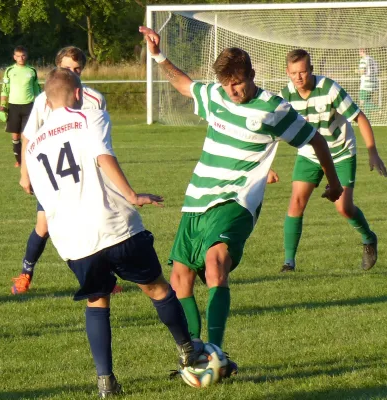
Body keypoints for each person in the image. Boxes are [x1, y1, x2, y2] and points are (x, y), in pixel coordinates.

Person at [139, 26, 343, 375]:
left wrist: (334, 181)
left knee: (216, 262)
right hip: (197, 198)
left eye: (238, 83)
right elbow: (184, 85)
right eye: (226, 84)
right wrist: (158, 55)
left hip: (237, 200)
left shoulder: (274, 109)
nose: (232, 91)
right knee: (180, 276)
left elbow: (316, 141)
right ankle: (193, 353)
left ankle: (216, 350)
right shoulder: (217, 95)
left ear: (252, 74)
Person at [25, 67, 203, 397]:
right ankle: (188, 350)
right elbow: (103, 157)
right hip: (114, 226)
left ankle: (105, 382)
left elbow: (44, 199)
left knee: (97, 300)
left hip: (74, 242)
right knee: (156, 288)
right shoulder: (89, 117)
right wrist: (134, 196)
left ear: (45, 102)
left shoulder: (33, 146)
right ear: (78, 94)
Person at [11, 46, 118, 295]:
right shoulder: (45, 99)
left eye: (77, 69)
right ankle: (26, 274)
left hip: (87, 174)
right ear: (57, 67)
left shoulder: (94, 99)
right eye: (67, 68)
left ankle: (106, 280)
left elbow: (102, 141)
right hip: (54, 174)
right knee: (44, 226)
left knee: (96, 222)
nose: (73, 72)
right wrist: (24, 174)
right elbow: (27, 138)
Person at [278, 49, 387, 273]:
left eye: (303, 71)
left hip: (340, 152)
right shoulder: (285, 96)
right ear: (287, 73)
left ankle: (368, 239)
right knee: (296, 202)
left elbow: (359, 117)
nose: (299, 77)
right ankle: (289, 263)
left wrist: (372, 151)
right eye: (294, 73)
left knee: (344, 208)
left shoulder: (329, 89)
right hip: (309, 154)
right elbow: (271, 128)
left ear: (311, 70)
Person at [0, 45, 41, 167]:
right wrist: (2, 106)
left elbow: (36, 89)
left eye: (23, 55)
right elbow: (5, 89)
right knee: (15, 135)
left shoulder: (32, 71)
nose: (21, 58)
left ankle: (28, 160)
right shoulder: (9, 71)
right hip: (13, 106)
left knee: (27, 135)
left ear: (26, 56)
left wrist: (41, 104)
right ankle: (19, 160)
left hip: (29, 106)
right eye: (18, 56)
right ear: (14, 57)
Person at [358, 48, 380, 114]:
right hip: (374, 83)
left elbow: (362, 72)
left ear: (362, 51)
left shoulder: (363, 60)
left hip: (366, 84)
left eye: (359, 51)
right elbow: (377, 71)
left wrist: (357, 71)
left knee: (362, 102)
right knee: (367, 102)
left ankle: (378, 109)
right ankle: (368, 120)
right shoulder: (372, 60)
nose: (359, 53)